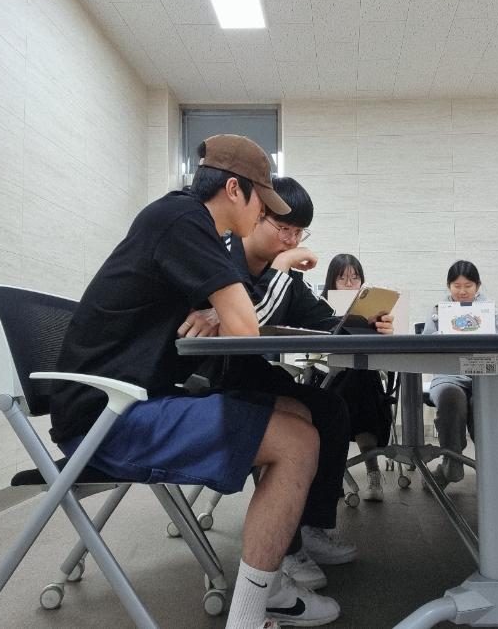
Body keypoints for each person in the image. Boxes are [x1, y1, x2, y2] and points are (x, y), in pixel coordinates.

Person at [49, 135, 337, 629]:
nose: (264, 217)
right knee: (298, 441)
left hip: (128, 401)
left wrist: (218, 310)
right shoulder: (185, 221)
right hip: (107, 418)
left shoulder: (180, 221)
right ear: (234, 189)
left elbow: (226, 318)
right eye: (263, 204)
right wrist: (265, 279)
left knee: (297, 412)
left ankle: (273, 575)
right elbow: (246, 328)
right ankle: (253, 612)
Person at [186, 177, 393, 597]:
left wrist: (369, 324)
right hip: (205, 378)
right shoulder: (221, 256)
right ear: (254, 214)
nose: (292, 240)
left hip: (247, 373)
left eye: (299, 233)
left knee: (331, 408)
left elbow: (327, 323)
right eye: (284, 228)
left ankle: (312, 527)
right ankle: (288, 546)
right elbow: (248, 320)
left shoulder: (286, 278)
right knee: (287, 415)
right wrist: (283, 267)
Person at [421, 260, 498, 489]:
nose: (462, 291)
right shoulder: (438, 312)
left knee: (483, 402)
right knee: (450, 397)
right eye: (456, 286)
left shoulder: (492, 312)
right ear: (448, 286)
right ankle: (452, 461)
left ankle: (493, 465)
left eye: (468, 286)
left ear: (477, 286)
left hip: (484, 376)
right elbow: (425, 348)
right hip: (448, 376)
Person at [322, 254, 395, 503]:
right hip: (329, 377)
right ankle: (372, 472)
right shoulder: (320, 307)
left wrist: (384, 330)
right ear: (331, 282)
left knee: (361, 382)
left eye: (355, 278)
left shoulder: (372, 310)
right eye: (342, 279)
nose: (349, 284)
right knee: (358, 388)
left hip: (364, 377)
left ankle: (345, 475)